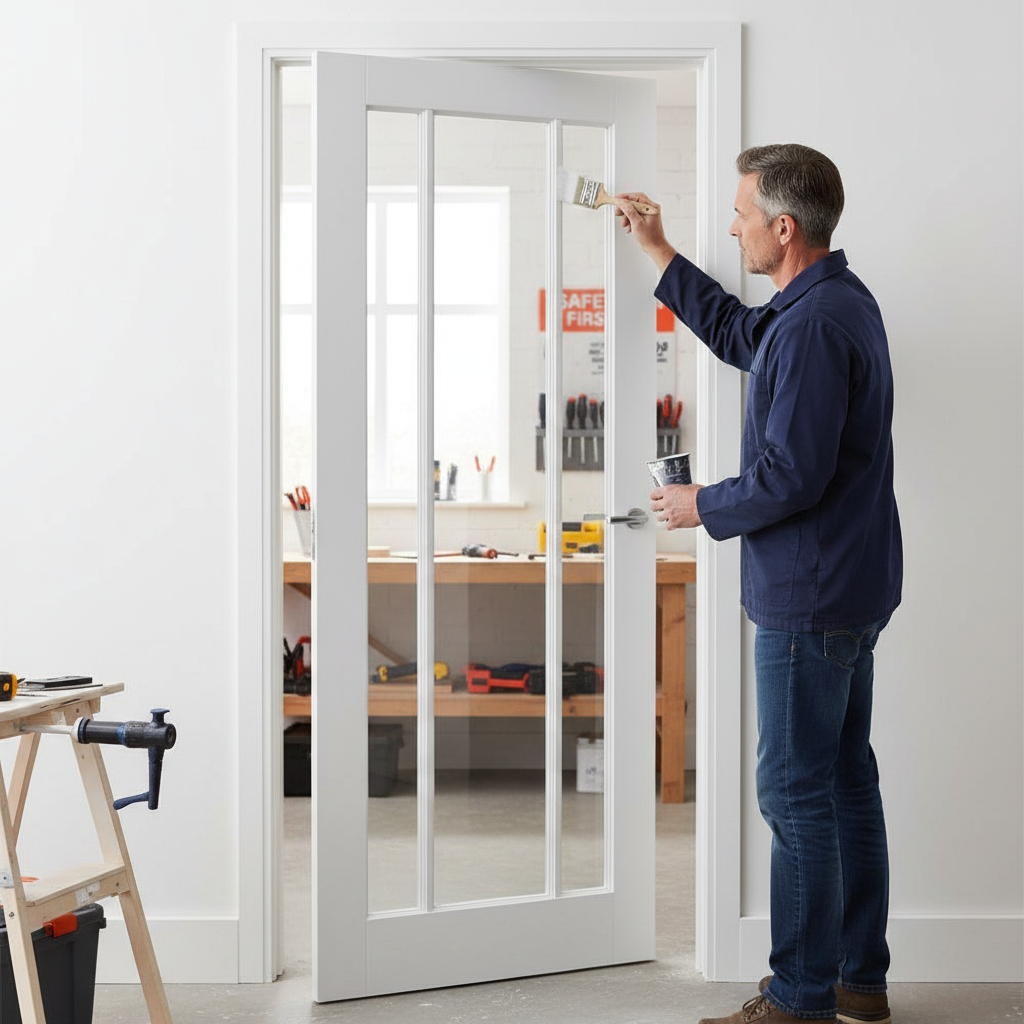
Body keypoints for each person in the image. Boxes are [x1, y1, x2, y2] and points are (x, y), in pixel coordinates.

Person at [618, 145, 902, 1024]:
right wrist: (660, 251)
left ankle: (799, 997)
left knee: (793, 793)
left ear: (784, 228)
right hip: (849, 589)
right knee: (845, 780)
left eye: (741, 214)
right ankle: (857, 980)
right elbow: (744, 335)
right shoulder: (826, 304)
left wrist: (699, 501)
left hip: (810, 599)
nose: (733, 225)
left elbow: (791, 476)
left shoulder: (816, 325)